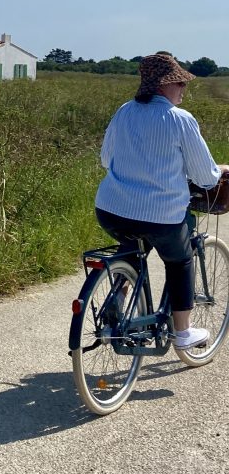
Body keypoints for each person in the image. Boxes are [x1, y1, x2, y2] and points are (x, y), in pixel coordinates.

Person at [95, 52, 229, 349]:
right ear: (161, 86)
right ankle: (183, 333)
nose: (184, 87)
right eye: (179, 82)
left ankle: (117, 298)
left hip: (111, 210)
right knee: (180, 259)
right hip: (160, 217)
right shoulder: (179, 119)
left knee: (131, 247)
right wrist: (219, 170)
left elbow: (107, 159)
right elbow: (206, 178)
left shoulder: (124, 111)